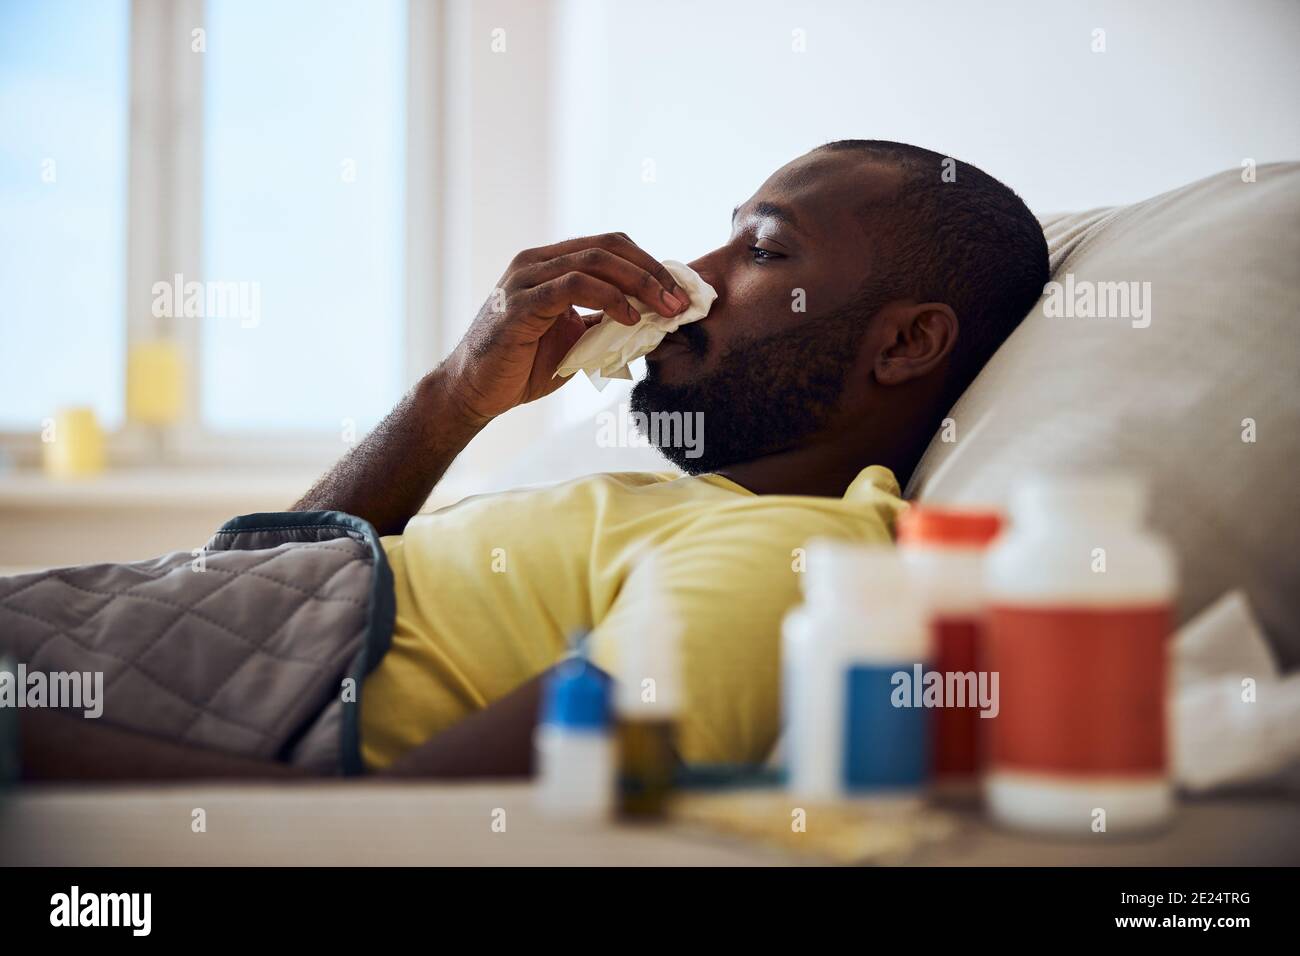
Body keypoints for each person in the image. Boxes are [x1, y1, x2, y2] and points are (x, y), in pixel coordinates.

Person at [17, 140, 1049, 780]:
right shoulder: (669, 505)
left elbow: (415, 832)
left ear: (907, 343)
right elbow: (231, 594)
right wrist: (458, 395)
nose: (691, 275)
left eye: (765, 251)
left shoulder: (789, 553)